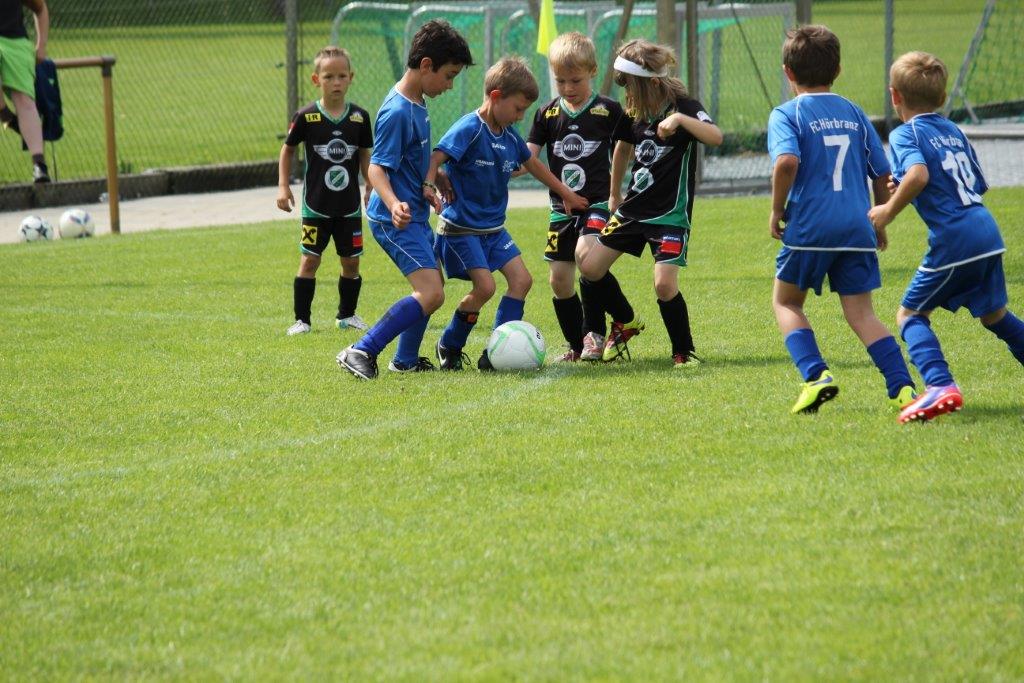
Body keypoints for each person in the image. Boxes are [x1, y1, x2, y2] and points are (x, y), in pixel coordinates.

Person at [868, 51, 1024, 424]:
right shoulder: (953, 131)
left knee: (910, 314)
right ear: (941, 97)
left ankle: (939, 385)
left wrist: (887, 210)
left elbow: (920, 175)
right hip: (986, 230)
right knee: (994, 315)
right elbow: (970, 184)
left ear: (895, 96)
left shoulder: (905, 133)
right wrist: (907, 183)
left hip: (956, 239)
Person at [766, 25, 916, 414]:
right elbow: (882, 174)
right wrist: (880, 219)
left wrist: (777, 209)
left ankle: (816, 376)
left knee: (786, 302)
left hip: (810, 228)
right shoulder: (853, 112)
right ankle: (903, 387)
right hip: (856, 227)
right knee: (862, 313)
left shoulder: (787, 114)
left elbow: (786, 162)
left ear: (788, 72)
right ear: (837, 70)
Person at [429, 56, 589, 371]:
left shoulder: (507, 133)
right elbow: (435, 157)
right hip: (461, 229)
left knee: (522, 280)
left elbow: (533, 164)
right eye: (518, 109)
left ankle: (495, 353)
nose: (520, 117)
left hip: (493, 229)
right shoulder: (470, 128)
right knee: (485, 288)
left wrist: (566, 193)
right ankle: (449, 344)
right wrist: (432, 182)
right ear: (496, 96)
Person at [336, 20, 473, 379]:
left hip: (414, 213)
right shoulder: (398, 112)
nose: (450, 85)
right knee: (431, 292)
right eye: (449, 76)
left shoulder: (417, 103)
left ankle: (405, 360)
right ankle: (360, 350)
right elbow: (376, 169)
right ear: (426, 65)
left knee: (433, 286)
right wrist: (394, 203)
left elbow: (411, 158)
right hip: (393, 218)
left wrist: (432, 179)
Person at [578, 39, 722, 367]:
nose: (626, 94)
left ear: (652, 83)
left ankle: (683, 352)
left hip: (669, 214)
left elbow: (715, 137)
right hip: (632, 210)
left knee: (664, 284)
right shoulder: (634, 110)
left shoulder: (684, 107)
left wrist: (681, 121)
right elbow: (622, 149)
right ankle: (626, 320)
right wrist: (614, 194)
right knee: (590, 267)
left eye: (630, 86)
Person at [526, 32, 635, 362]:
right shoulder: (546, 114)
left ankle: (606, 329)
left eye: (575, 80)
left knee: (586, 259)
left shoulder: (608, 110)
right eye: (560, 81)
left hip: (597, 204)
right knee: (559, 280)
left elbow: (628, 147)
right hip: (561, 209)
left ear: (592, 71)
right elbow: (528, 157)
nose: (568, 88)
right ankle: (576, 346)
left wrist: (618, 191)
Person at [277, 46, 372, 336]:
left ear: (351, 77)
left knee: (351, 262)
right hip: (315, 206)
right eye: (329, 76)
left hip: (349, 207)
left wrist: (370, 185)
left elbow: (365, 154)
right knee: (310, 260)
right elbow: (287, 150)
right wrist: (283, 186)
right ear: (316, 79)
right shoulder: (306, 116)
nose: (336, 82)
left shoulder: (359, 117)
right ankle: (302, 320)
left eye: (342, 76)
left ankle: (347, 315)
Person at [0, 0, 50, 183]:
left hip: (16, 43)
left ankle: (39, 165)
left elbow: (40, 8)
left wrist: (41, 46)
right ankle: (5, 114)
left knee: (25, 101)